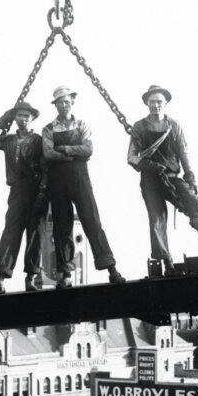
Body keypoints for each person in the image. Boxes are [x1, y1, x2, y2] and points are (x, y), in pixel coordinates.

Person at [127, 84, 198, 275]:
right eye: (152, 102)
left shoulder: (173, 125)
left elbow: (183, 153)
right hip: (150, 179)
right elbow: (132, 157)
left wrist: (190, 176)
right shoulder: (139, 127)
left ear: (165, 103)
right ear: (147, 104)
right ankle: (167, 264)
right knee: (157, 218)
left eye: (159, 102)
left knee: (193, 201)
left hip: (172, 176)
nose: (155, 105)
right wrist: (150, 166)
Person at [42, 85, 125, 288]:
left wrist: (65, 149)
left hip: (80, 179)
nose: (64, 104)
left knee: (92, 221)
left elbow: (88, 150)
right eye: (60, 102)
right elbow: (48, 153)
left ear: (72, 102)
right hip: (58, 181)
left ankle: (111, 269)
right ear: (56, 105)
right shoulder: (48, 129)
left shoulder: (82, 125)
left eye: (67, 101)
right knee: (62, 227)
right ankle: (65, 274)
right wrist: (73, 154)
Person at [0, 101, 48, 294]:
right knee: (11, 232)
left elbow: (46, 169)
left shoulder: (39, 141)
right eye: (19, 115)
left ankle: (30, 277)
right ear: (14, 118)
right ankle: (1, 279)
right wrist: (3, 120)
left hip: (35, 189)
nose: (23, 119)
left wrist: (43, 193)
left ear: (32, 118)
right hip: (17, 190)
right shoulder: (7, 140)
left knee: (34, 234)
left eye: (26, 116)